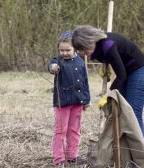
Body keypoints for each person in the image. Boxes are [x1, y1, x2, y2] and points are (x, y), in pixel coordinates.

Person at [72, 25, 144, 138]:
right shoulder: (97, 47)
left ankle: (139, 151)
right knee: (122, 111)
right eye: (81, 50)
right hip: (126, 72)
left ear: (92, 40)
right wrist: (106, 64)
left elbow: (121, 75)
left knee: (133, 112)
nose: (84, 53)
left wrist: (108, 94)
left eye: (86, 49)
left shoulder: (107, 45)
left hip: (139, 71)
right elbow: (115, 59)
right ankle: (127, 148)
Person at [48, 31, 90, 166]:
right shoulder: (57, 61)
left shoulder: (80, 62)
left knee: (74, 129)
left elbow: (85, 83)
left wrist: (86, 100)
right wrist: (53, 68)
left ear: (75, 49)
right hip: (63, 103)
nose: (64, 53)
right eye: (61, 50)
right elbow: (51, 66)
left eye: (68, 50)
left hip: (77, 102)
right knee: (61, 130)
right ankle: (59, 158)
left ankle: (73, 155)